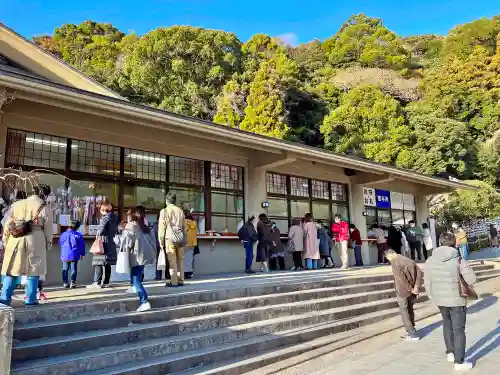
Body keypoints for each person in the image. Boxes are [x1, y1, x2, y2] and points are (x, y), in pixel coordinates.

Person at [424, 232, 477, 371]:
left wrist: (432, 297)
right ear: (454, 243)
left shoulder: (430, 260)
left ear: (440, 243)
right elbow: (472, 280)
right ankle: (459, 362)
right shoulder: (458, 260)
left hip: (440, 299)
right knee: (458, 330)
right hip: (457, 300)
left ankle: (450, 353)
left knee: (446, 324)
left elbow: (427, 281)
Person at [0, 184, 53, 306]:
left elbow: (6, 223)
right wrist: (48, 244)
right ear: (45, 194)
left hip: (16, 238)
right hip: (36, 239)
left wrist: (5, 239)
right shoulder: (45, 207)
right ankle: (30, 299)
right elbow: (48, 229)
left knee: (12, 269)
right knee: (33, 270)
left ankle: (5, 297)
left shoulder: (16, 204)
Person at [120, 206, 156, 312]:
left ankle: (144, 301)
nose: (127, 215)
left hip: (136, 255)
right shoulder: (145, 225)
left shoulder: (131, 225)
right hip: (144, 254)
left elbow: (127, 241)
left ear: (132, 215)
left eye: (129, 214)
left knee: (136, 279)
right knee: (136, 273)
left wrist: (118, 238)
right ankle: (134, 288)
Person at [384, 249, 423, 341]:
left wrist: (410, 289)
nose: (389, 260)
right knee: (410, 309)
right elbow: (419, 273)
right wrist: (416, 287)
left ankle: (412, 333)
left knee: (404, 311)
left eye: (387, 258)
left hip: (403, 291)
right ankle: (412, 328)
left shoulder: (395, 262)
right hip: (413, 289)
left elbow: (401, 278)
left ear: (389, 256)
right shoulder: (408, 260)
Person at [158, 192, 186, 287]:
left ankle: (173, 281)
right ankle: (181, 280)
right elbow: (184, 227)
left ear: (166, 201)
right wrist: (184, 238)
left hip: (169, 238)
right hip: (180, 237)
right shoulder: (180, 211)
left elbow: (162, 228)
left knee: (172, 260)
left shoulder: (164, 211)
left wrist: (161, 242)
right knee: (180, 259)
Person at [89, 201, 118, 289]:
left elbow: (101, 231)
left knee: (98, 262)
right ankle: (106, 282)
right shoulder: (114, 218)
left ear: (102, 210)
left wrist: (97, 232)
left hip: (103, 242)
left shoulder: (104, 218)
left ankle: (98, 282)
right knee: (107, 264)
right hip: (110, 242)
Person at [59, 220, 85, 288]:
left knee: (65, 268)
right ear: (77, 227)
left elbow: (60, 243)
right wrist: (82, 254)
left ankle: (65, 283)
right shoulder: (78, 235)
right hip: (74, 254)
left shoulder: (63, 234)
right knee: (73, 269)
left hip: (65, 254)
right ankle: (72, 282)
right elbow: (81, 246)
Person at [153, 212, 169, 281]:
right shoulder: (166, 224)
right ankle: (167, 275)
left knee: (159, 260)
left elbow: (154, 234)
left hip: (158, 244)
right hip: (165, 243)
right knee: (167, 260)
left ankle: (158, 276)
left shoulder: (156, 224)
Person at [184, 211, 198, 279]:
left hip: (185, 243)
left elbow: (183, 232)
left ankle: (184, 273)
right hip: (192, 243)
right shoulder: (194, 222)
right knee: (189, 259)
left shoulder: (185, 222)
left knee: (183, 259)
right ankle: (189, 273)